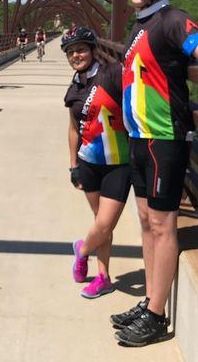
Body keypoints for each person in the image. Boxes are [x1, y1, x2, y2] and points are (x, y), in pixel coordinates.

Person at [112, 0, 198, 347]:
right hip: (139, 138)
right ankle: (151, 297)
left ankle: (155, 315)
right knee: (147, 222)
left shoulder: (170, 19)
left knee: (162, 226)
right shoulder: (140, 25)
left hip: (164, 138)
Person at [63, 27, 131, 299]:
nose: (75, 55)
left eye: (80, 49)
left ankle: (82, 249)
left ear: (92, 50)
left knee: (104, 225)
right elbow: (72, 129)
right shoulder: (74, 89)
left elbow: (138, 81)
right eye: (70, 52)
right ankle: (103, 278)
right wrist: (72, 165)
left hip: (120, 162)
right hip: (89, 163)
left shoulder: (112, 73)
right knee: (101, 223)